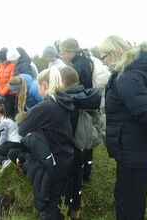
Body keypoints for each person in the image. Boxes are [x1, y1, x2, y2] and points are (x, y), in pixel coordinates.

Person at [99, 35, 147, 220]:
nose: (103, 63)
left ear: (115, 53)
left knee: (129, 202)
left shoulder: (127, 77)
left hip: (135, 152)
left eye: (103, 58)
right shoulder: (135, 71)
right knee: (134, 197)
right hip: (138, 147)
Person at [18, 67, 75, 220]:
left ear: (44, 85)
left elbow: (22, 129)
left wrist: (34, 132)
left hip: (53, 160)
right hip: (65, 155)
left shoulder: (45, 107)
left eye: (38, 86)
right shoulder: (64, 100)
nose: (37, 89)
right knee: (57, 196)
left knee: (48, 202)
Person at [58, 67, 101, 220]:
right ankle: (75, 210)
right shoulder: (84, 96)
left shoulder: (66, 100)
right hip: (82, 145)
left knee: (69, 180)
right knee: (78, 176)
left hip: (69, 148)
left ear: (62, 82)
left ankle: (68, 211)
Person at [60, 38, 95, 182]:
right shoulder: (83, 61)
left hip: (80, 106)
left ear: (71, 51)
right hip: (86, 103)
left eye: (64, 52)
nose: (63, 55)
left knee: (80, 139)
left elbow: (74, 88)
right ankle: (86, 172)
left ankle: (80, 174)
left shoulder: (78, 66)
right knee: (85, 138)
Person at [0, 104, 22, 173]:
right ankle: (8, 158)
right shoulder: (9, 118)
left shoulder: (4, 122)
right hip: (18, 141)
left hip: (13, 143)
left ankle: (5, 161)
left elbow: (3, 136)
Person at [0, 49, 17, 117]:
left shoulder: (12, 65)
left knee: (9, 113)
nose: (1, 63)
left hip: (10, 94)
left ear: (6, 59)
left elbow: (11, 80)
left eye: (2, 61)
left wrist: (3, 92)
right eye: (0, 61)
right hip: (1, 94)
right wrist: (0, 91)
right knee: (2, 112)